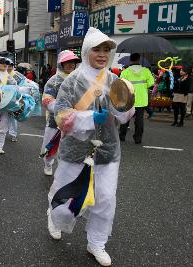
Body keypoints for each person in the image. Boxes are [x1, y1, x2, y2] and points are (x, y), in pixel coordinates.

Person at [47, 27, 134, 266]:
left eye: (107, 50)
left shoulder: (115, 80)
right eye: (97, 49)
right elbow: (61, 116)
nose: (103, 54)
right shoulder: (71, 81)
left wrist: (121, 108)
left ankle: (96, 243)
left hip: (107, 149)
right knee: (65, 195)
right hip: (75, 149)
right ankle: (54, 218)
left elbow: (125, 116)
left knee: (105, 198)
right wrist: (87, 118)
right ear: (87, 51)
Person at [41, 50, 80, 176]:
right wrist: (61, 110)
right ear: (61, 64)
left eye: (73, 62)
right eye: (67, 62)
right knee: (50, 144)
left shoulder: (79, 79)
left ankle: (66, 170)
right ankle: (48, 163)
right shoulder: (54, 80)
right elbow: (47, 99)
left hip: (75, 120)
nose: (70, 65)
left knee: (70, 148)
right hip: (55, 121)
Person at [119, 53, 154, 144]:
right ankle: (138, 138)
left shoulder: (125, 71)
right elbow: (151, 83)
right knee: (139, 119)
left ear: (130, 60)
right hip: (142, 99)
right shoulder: (146, 71)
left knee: (126, 118)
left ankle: (122, 136)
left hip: (129, 98)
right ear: (139, 60)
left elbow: (121, 85)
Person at [0, 57, 17, 154]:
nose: (5, 65)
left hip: (6, 105)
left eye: (6, 63)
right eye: (2, 63)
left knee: (4, 126)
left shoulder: (9, 77)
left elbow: (15, 87)